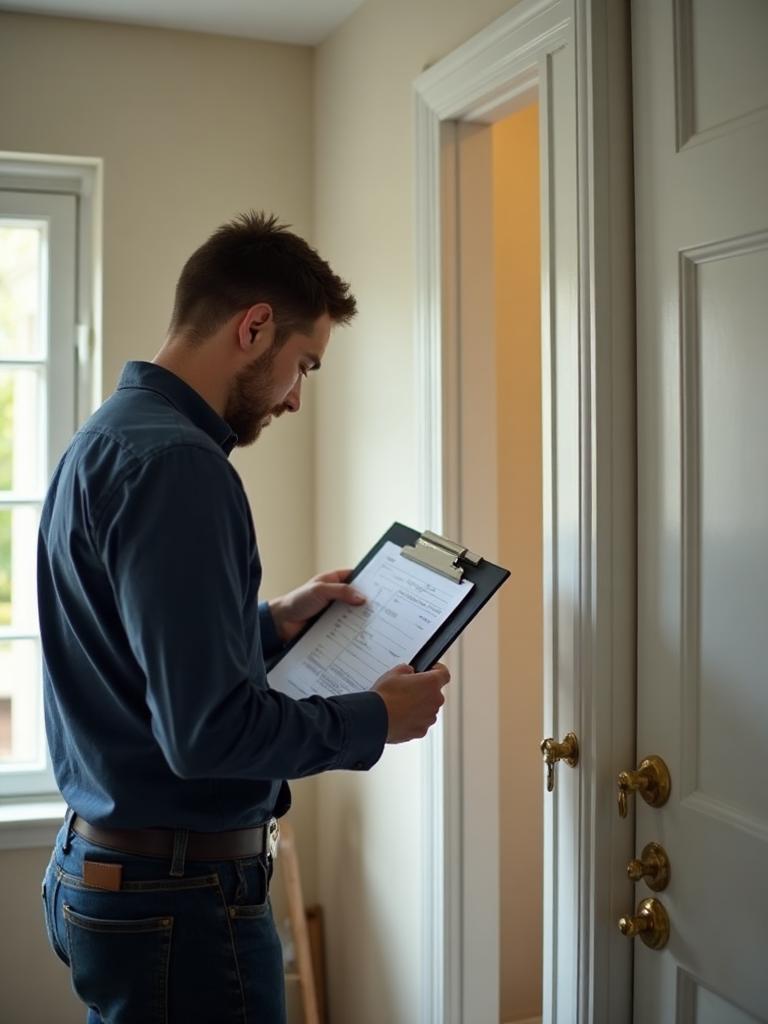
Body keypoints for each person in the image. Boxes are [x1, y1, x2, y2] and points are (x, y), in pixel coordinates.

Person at [38, 211, 450, 1024]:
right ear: (254, 326)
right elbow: (208, 737)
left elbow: (124, 647)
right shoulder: (183, 468)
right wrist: (376, 718)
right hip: (180, 904)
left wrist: (270, 622)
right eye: (304, 365)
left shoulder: (109, 438)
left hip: (113, 873)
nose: (297, 397)